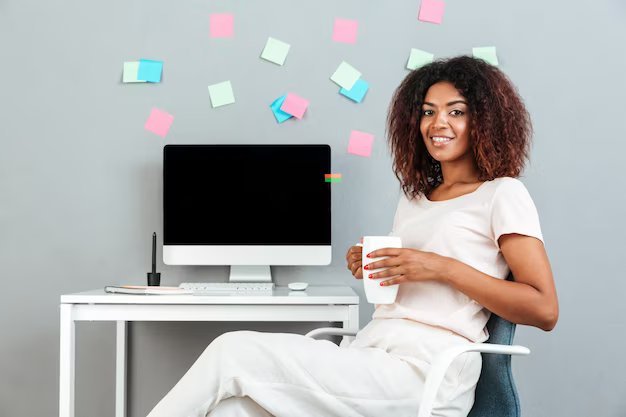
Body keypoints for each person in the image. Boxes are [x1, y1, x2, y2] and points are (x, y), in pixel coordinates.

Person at [146, 55, 559, 417]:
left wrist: (440, 267)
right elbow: (410, 282)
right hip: (370, 352)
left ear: (484, 121)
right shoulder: (415, 198)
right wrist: (374, 265)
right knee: (235, 409)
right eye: (429, 111)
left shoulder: (502, 194)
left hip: (426, 373)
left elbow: (544, 309)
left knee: (231, 351)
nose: (438, 124)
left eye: (456, 111)